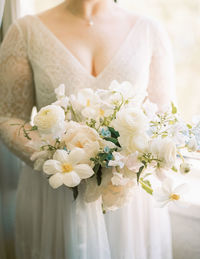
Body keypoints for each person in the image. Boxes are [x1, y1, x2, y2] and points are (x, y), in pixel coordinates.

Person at [0, 0, 176, 258]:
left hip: (126, 197)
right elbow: (7, 116)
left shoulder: (149, 31)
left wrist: (128, 159)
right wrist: (59, 156)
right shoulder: (25, 31)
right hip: (55, 193)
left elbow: (164, 119)